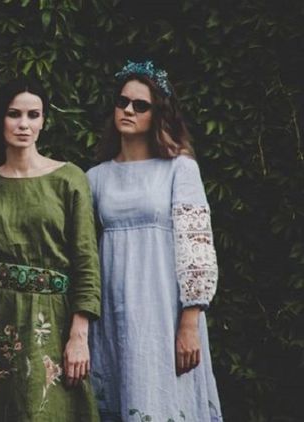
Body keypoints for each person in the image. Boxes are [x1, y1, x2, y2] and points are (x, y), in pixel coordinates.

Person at [0, 78, 101, 421]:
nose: (24, 124)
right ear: (0, 119)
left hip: (51, 321)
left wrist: (79, 335)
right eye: (14, 114)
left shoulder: (70, 179)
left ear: (44, 121)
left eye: (33, 115)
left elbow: (86, 261)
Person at [87, 60, 223, 421]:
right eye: (122, 102)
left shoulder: (180, 168)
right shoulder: (95, 178)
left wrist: (189, 322)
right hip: (113, 310)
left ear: (158, 114)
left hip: (164, 311)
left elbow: (197, 247)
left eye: (140, 105)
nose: (128, 110)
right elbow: (82, 253)